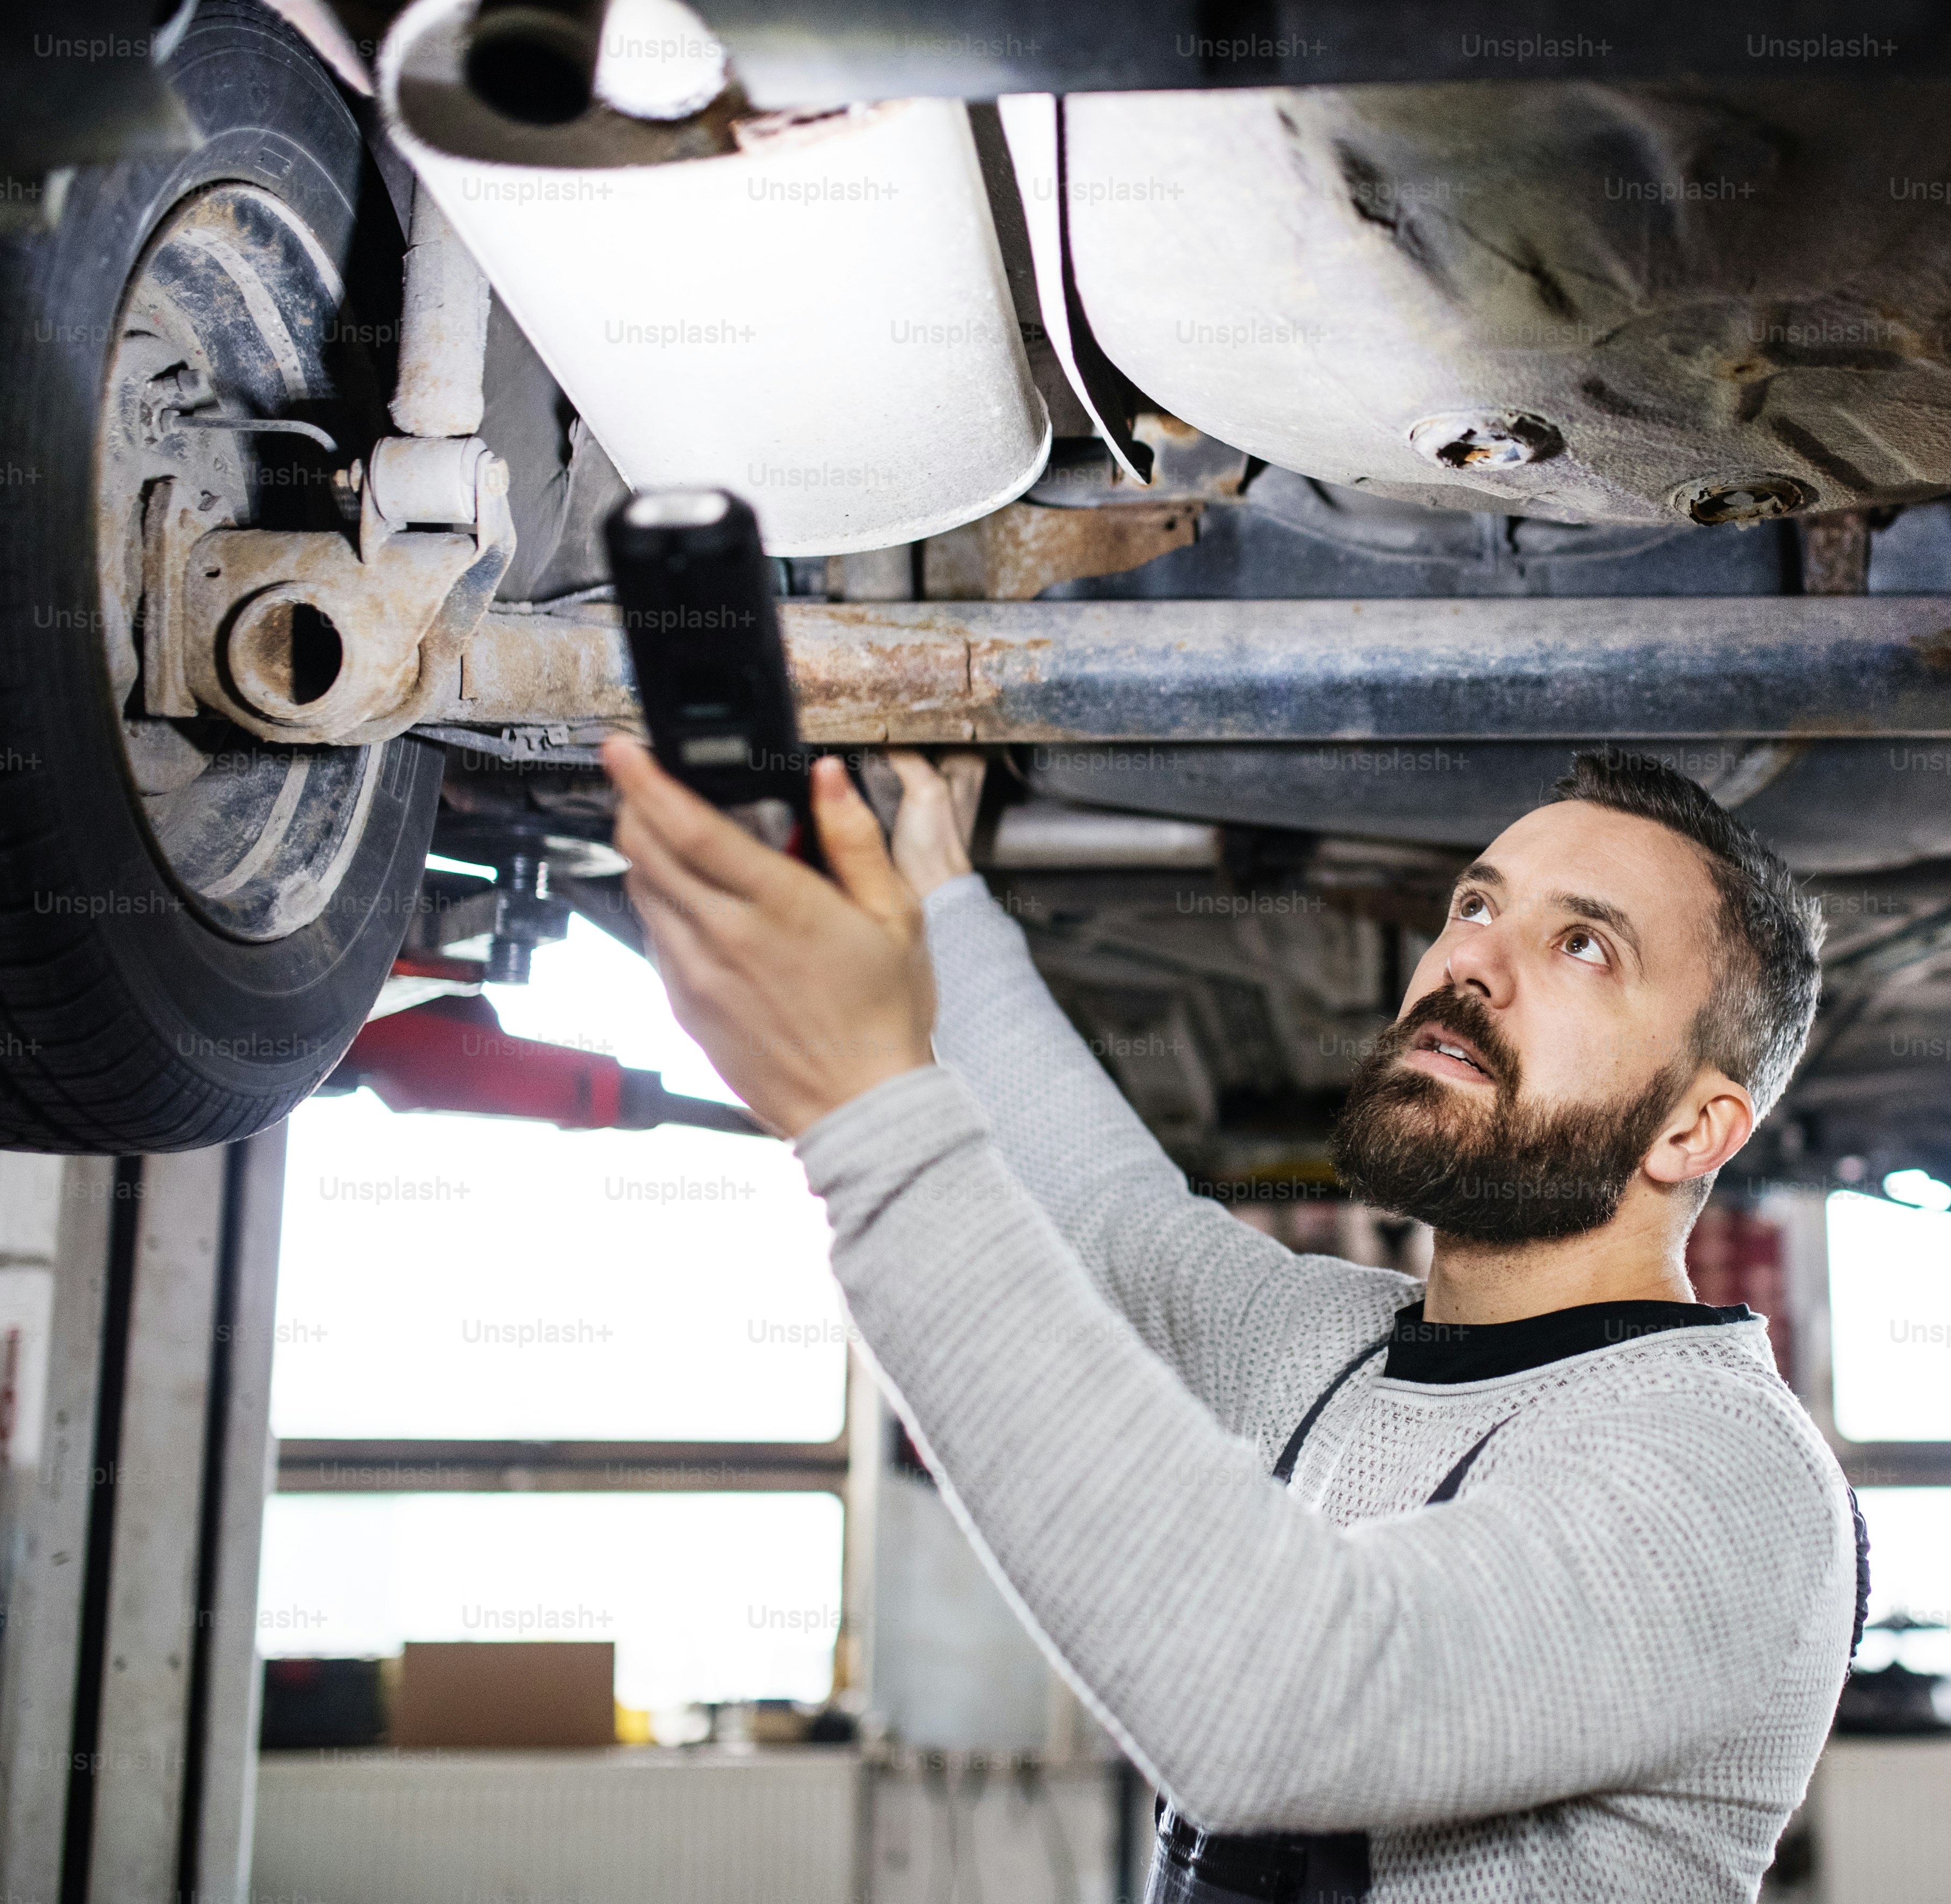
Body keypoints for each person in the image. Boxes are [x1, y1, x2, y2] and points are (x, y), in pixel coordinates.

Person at [601, 736, 1864, 1903]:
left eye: (1583, 944)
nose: (1470, 959)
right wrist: (939, 896)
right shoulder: (1339, 1347)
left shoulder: (1730, 1476)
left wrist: (862, 1111)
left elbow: (1290, 1706)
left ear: (1696, 1127)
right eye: (1476, 904)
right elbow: (1102, 1214)